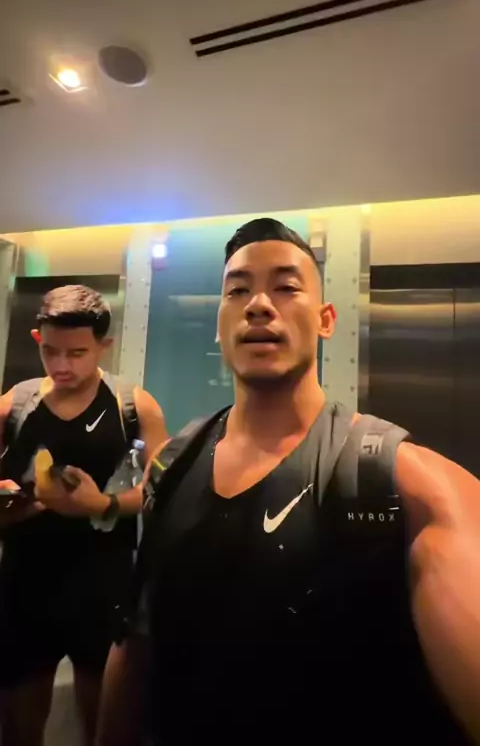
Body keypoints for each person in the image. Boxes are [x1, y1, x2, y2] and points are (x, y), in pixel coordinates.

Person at [96, 219, 480, 746]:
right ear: (219, 324)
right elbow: (137, 641)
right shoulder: (172, 465)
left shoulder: (406, 482)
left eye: (285, 287)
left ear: (326, 320)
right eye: (237, 290)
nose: (258, 304)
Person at [0, 284, 167, 746]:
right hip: (23, 587)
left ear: (103, 346)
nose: (61, 365)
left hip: (102, 587)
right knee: (17, 729)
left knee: (105, 728)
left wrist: (103, 504)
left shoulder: (133, 405)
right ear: (37, 339)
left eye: (76, 353)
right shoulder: (14, 404)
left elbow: (162, 491)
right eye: (50, 351)